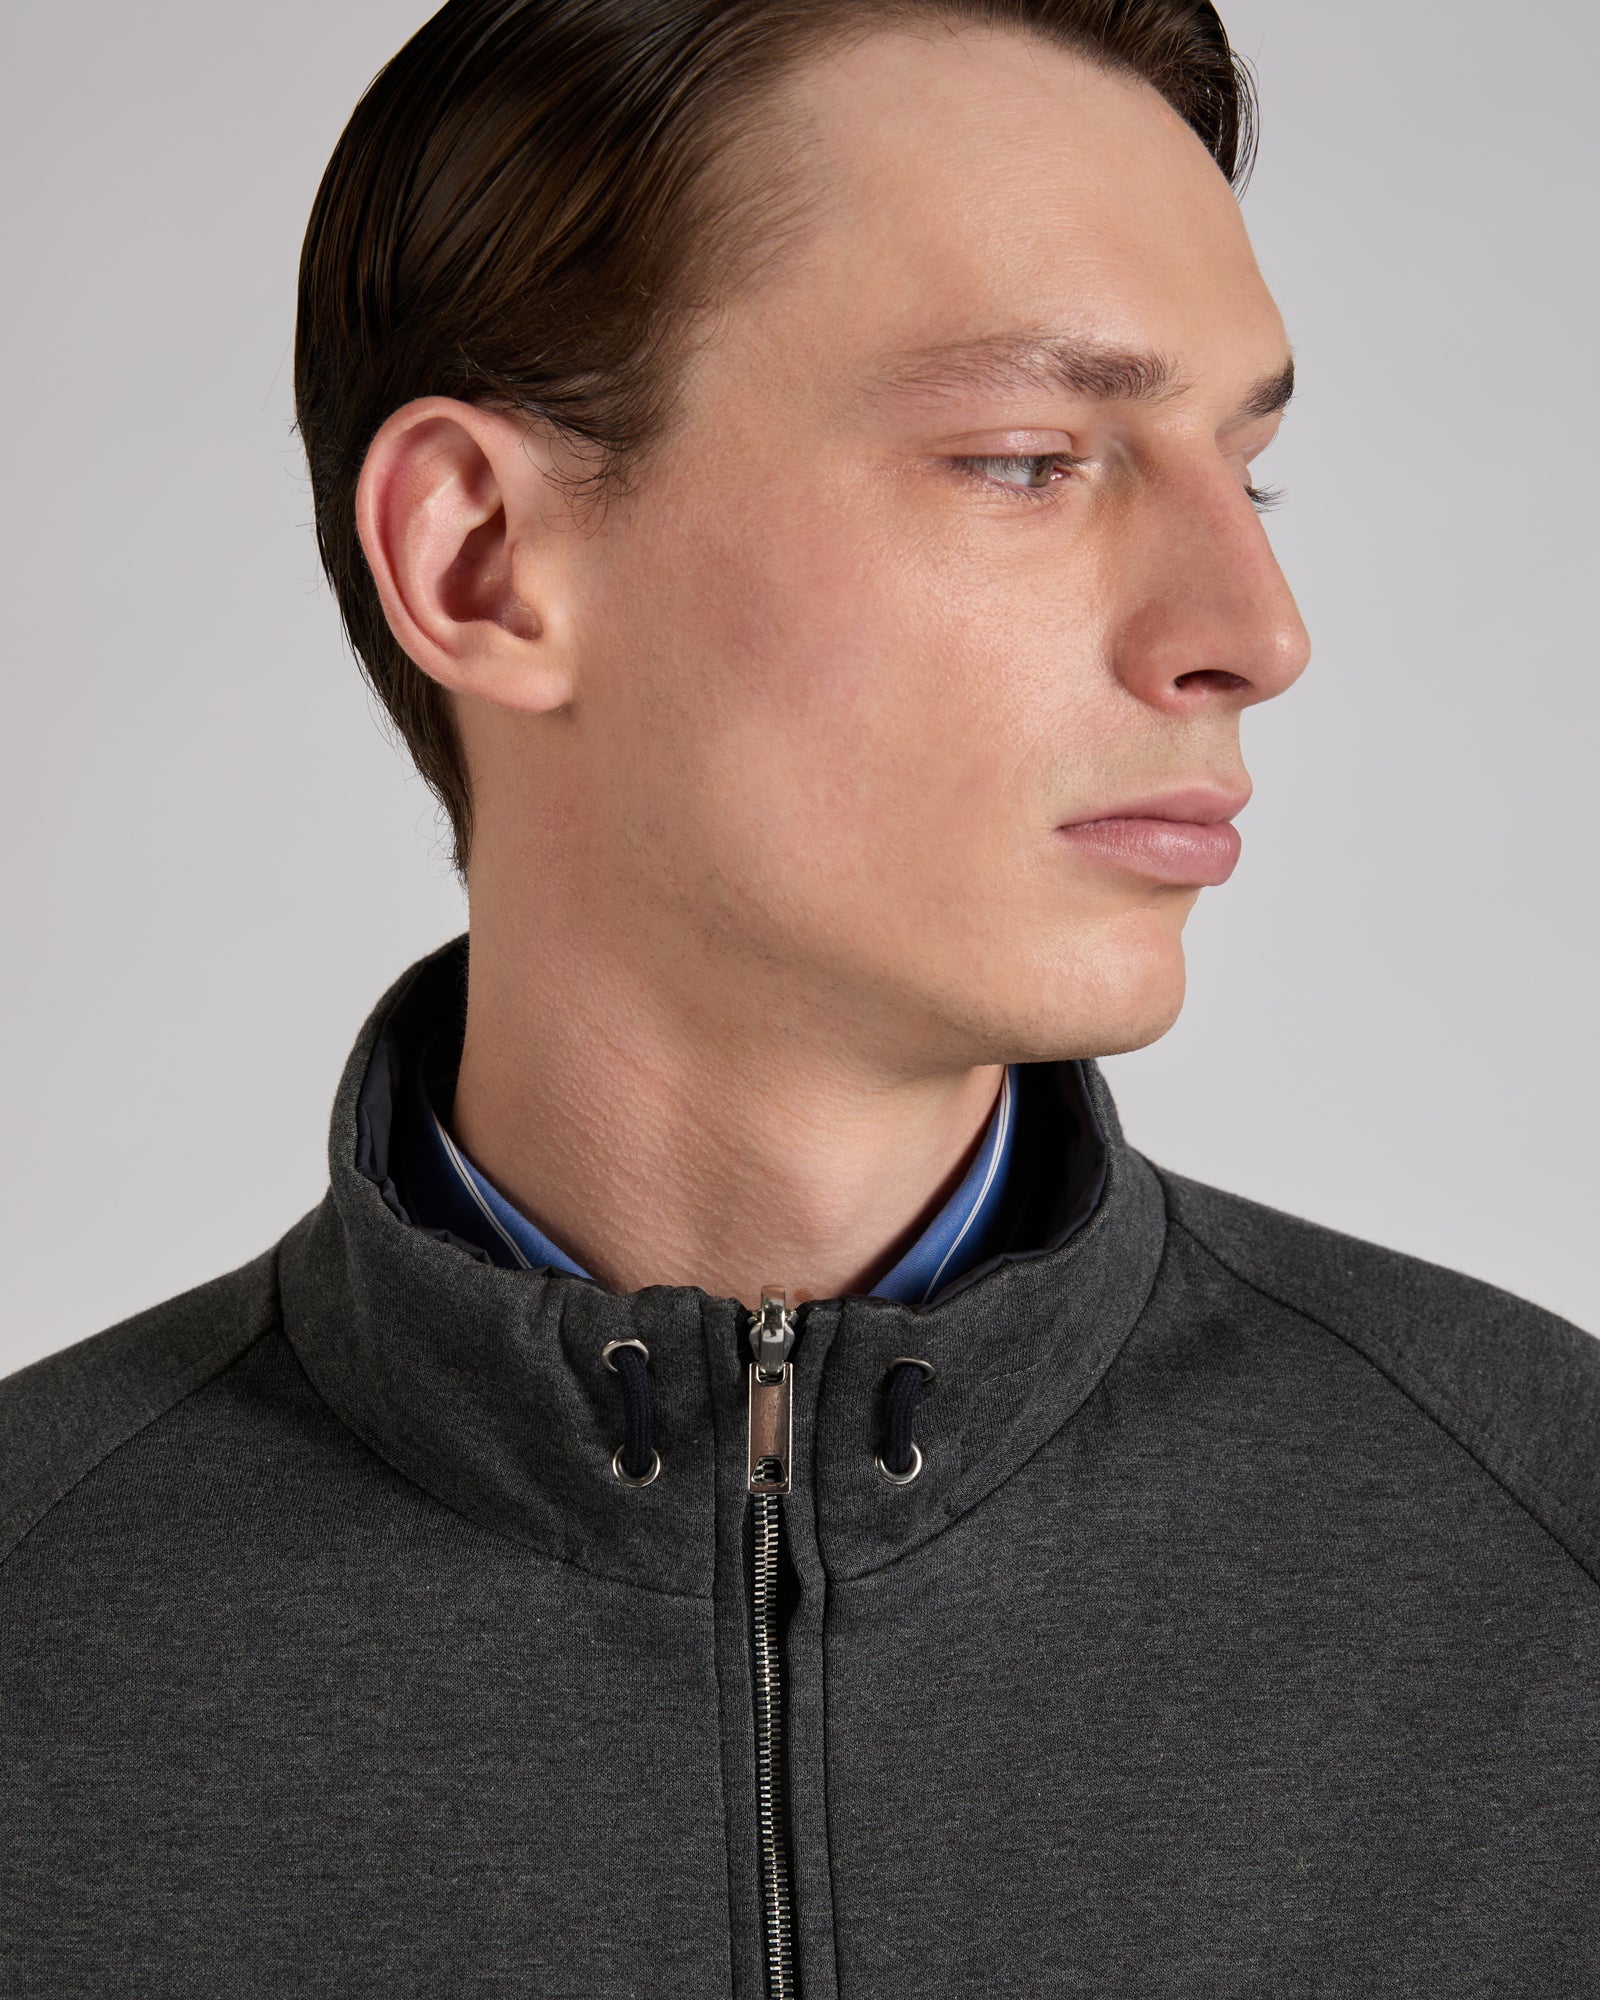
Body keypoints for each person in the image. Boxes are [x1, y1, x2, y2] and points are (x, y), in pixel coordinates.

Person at [4, 1, 1596, 1993]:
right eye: (1027, 460)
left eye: (1247, 475)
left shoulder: (1551, 1563)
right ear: (483, 557)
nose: (1253, 632)